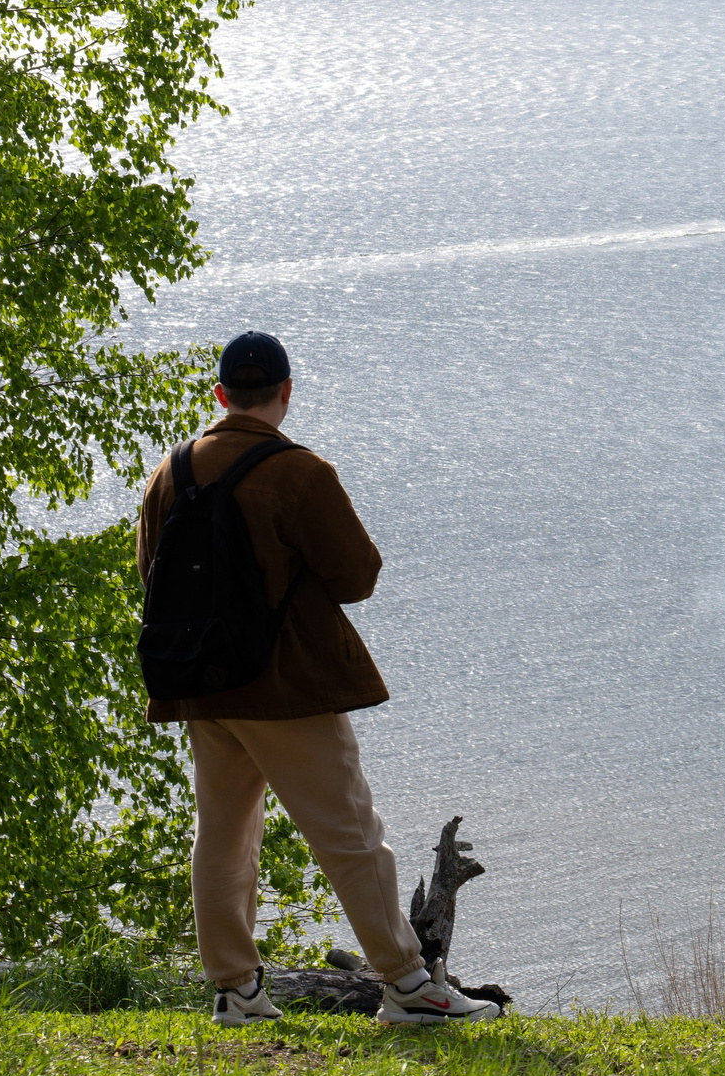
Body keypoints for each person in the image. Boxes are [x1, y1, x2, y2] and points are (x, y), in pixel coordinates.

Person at [136, 330, 499, 1027]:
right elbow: (356, 575)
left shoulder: (169, 472)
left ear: (220, 395)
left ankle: (235, 992)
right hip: (288, 686)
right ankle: (408, 985)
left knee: (222, 836)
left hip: (202, 686)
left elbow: (152, 575)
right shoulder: (299, 472)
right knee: (351, 834)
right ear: (285, 393)